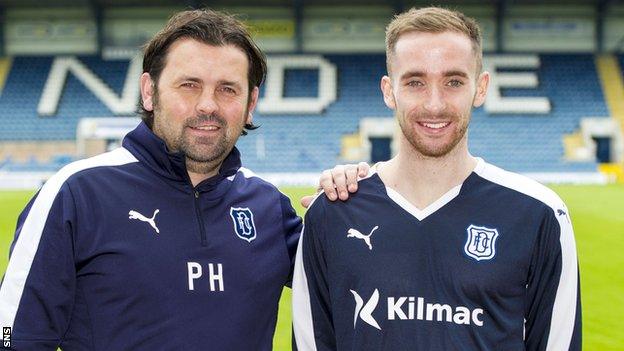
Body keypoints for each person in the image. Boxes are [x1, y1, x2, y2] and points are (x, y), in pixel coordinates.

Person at [0, 9, 365, 350]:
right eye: (189, 85)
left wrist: (358, 191)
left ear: (251, 102)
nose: (208, 105)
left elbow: (358, 280)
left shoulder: (269, 205)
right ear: (149, 91)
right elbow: (12, 335)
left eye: (228, 89)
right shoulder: (74, 194)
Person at [292, 6, 581, 351]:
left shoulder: (539, 215)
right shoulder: (332, 213)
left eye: (454, 81)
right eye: (415, 82)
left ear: (481, 87)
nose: (434, 104)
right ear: (388, 91)